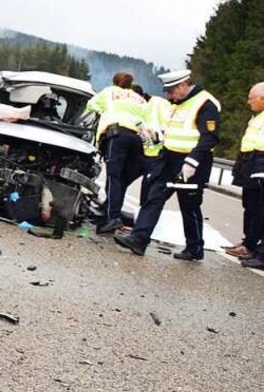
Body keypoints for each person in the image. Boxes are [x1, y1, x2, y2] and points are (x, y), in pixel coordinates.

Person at [114, 70, 220, 260]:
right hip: (168, 160)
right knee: (154, 197)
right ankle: (139, 239)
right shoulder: (177, 104)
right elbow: (174, 131)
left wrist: (192, 161)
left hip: (191, 164)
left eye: (171, 91)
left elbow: (209, 137)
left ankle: (195, 248)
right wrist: (155, 136)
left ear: (182, 86)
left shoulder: (206, 103)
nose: (168, 96)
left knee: (189, 206)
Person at [85, 72, 147, 233]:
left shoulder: (109, 92)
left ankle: (112, 218)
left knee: (114, 177)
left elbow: (90, 104)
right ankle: (109, 215)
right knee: (121, 180)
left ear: (114, 81)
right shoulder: (139, 98)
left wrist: (103, 111)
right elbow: (147, 119)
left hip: (117, 135)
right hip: (136, 140)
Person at [226, 82, 264, 268]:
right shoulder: (257, 116)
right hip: (251, 162)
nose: (248, 101)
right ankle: (249, 244)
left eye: (252, 98)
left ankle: (256, 249)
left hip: (260, 163)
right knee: (250, 206)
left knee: (259, 209)